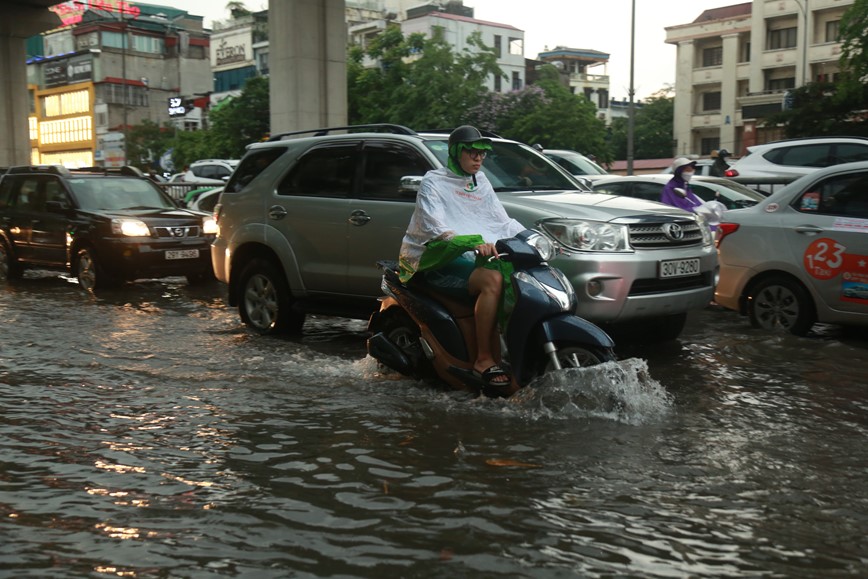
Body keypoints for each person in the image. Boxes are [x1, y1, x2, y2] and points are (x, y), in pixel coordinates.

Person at [398, 125, 525, 388]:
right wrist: (471, 242)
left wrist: (531, 238)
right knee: (492, 281)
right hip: (435, 258)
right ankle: (484, 359)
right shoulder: (433, 181)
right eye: (472, 152)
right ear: (456, 153)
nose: (478, 159)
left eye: (482, 154)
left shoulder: (481, 182)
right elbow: (435, 225)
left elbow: (501, 221)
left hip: (468, 255)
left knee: (516, 275)